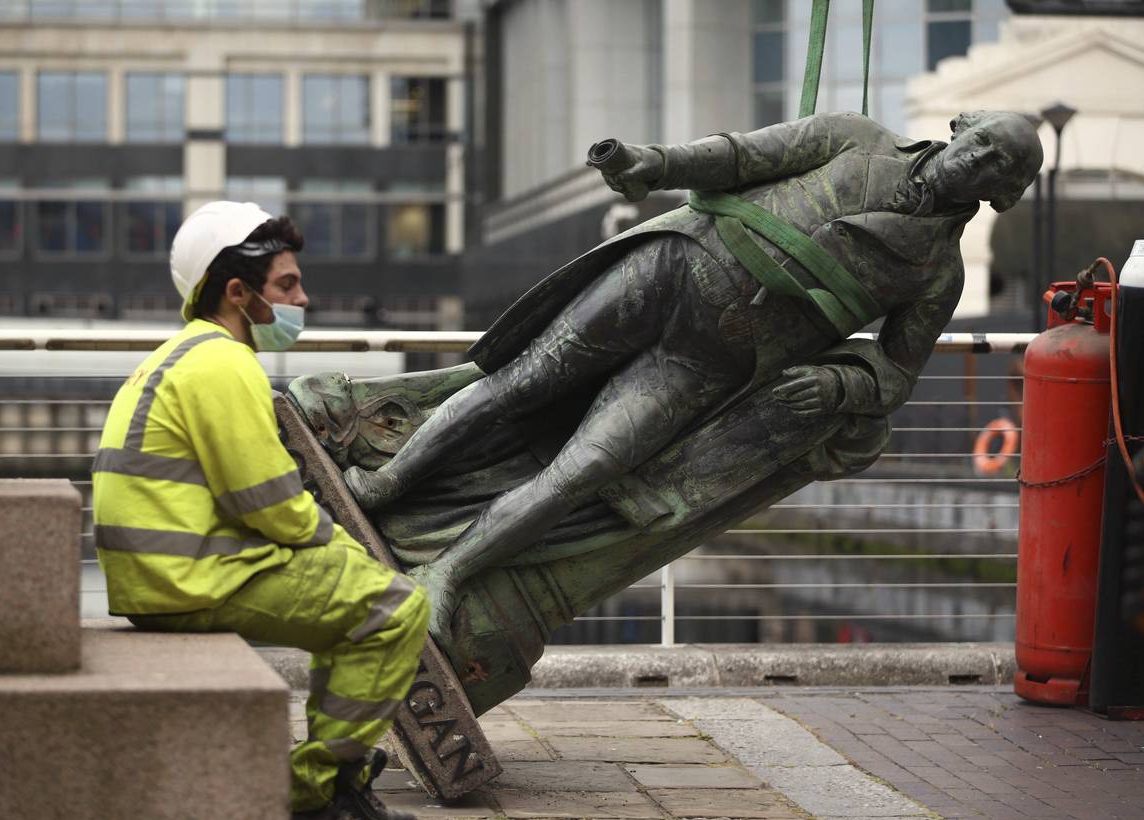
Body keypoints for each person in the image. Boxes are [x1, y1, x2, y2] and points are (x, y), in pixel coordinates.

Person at [343, 110, 1042, 637]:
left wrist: (838, 385)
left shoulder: (936, 276)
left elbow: (894, 374)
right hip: (674, 269)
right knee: (523, 382)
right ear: (960, 126)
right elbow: (741, 158)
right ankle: (387, 482)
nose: (975, 159)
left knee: (585, 471)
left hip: (714, 362)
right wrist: (657, 163)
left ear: (1001, 194)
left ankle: (447, 573)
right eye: (980, 141)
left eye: (995, 165)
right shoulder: (857, 137)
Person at [91, 201, 429, 820]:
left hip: (168, 572)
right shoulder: (223, 364)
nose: (303, 298)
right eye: (286, 287)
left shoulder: (183, 356)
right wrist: (340, 541)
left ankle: (341, 782)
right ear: (237, 293)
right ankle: (312, 799)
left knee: (356, 599)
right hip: (190, 578)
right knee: (395, 608)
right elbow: (271, 503)